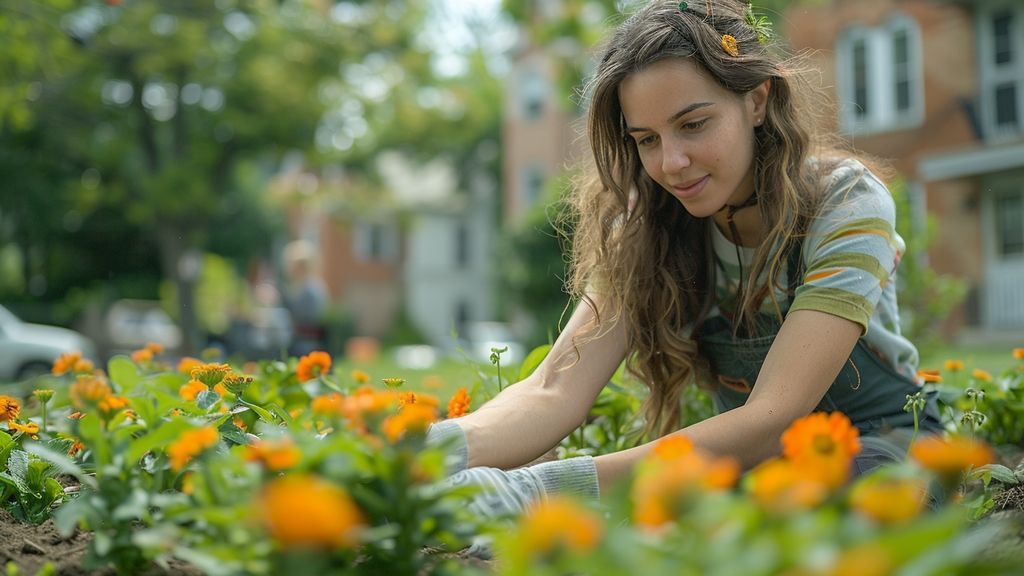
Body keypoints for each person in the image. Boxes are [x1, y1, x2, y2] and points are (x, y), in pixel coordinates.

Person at [428, 0, 942, 517]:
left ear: (757, 100)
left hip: (881, 452)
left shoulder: (845, 202)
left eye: (693, 125)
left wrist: (543, 490)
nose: (670, 164)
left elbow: (773, 416)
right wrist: (422, 455)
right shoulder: (647, 226)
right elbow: (553, 389)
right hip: (745, 468)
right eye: (647, 139)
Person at [281, 240, 329, 357]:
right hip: (302, 340)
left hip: (307, 344)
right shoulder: (303, 286)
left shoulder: (311, 289)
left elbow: (304, 317)